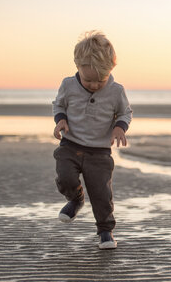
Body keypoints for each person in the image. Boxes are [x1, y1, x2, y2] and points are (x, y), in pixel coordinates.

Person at [52, 30, 132, 249]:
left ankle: (106, 231)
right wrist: (60, 120)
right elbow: (58, 104)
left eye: (101, 80)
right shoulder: (68, 85)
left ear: (110, 71)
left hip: (99, 152)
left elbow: (125, 112)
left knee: (102, 194)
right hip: (70, 145)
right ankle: (76, 199)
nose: (95, 85)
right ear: (77, 66)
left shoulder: (116, 91)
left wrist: (119, 127)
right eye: (89, 80)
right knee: (66, 177)